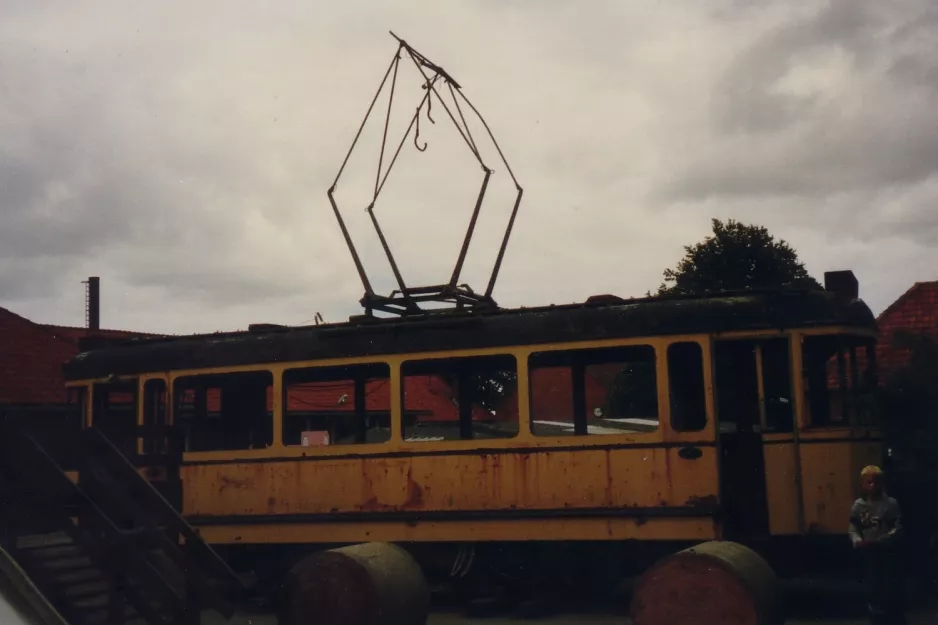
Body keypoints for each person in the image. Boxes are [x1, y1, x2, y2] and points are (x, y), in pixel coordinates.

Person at [848, 465, 906, 625]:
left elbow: (897, 527)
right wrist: (857, 540)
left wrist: (883, 540)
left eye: (876, 482)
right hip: (868, 551)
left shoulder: (890, 504)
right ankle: (875, 612)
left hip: (886, 550)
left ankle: (889, 612)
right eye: (868, 482)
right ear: (863, 484)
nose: (872, 486)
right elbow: (853, 527)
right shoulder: (859, 505)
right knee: (872, 580)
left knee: (887, 581)